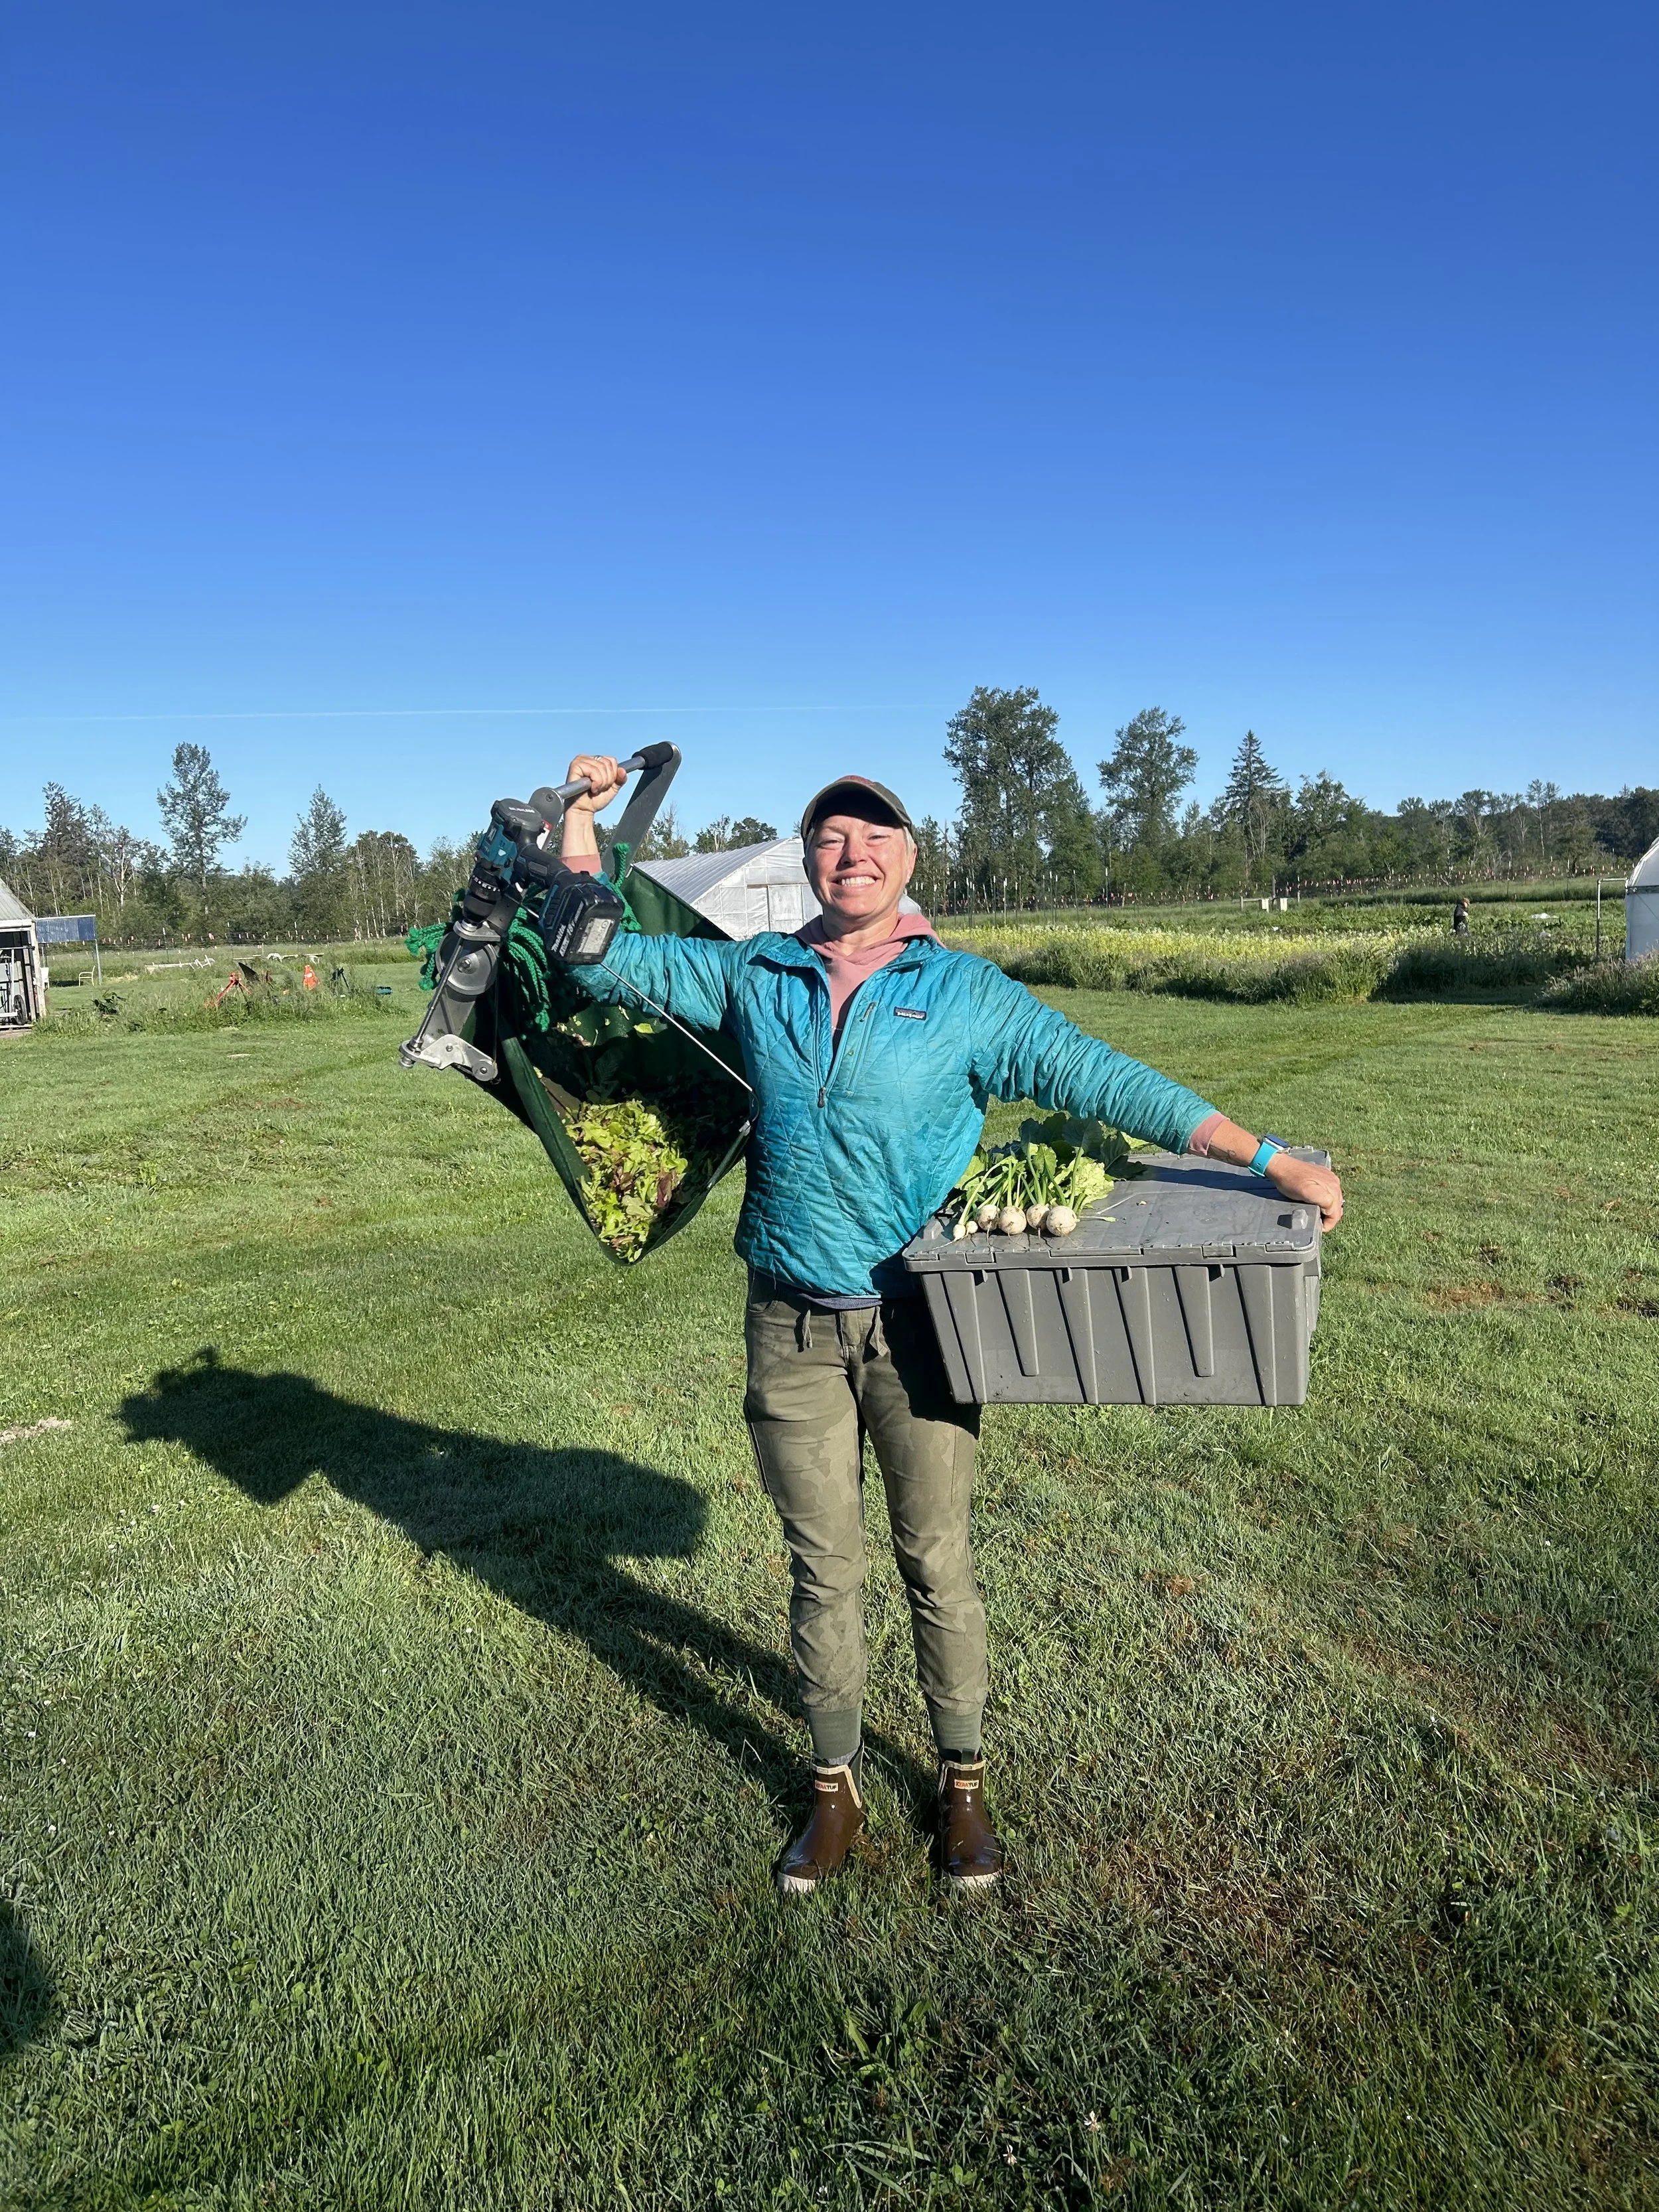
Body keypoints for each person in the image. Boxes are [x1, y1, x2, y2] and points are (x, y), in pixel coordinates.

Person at [559, 759, 1344, 1897]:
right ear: (809, 861)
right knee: (821, 1566)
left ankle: (962, 1787)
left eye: (875, 837)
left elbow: (1106, 1078)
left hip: (924, 1323)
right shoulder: (752, 972)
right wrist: (581, 817)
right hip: (789, 1323)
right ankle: (832, 1791)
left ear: (909, 859)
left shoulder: (963, 995)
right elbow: (601, 949)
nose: (853, 854)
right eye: (831, 837)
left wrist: (1271, 1159)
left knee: (936, 1560)